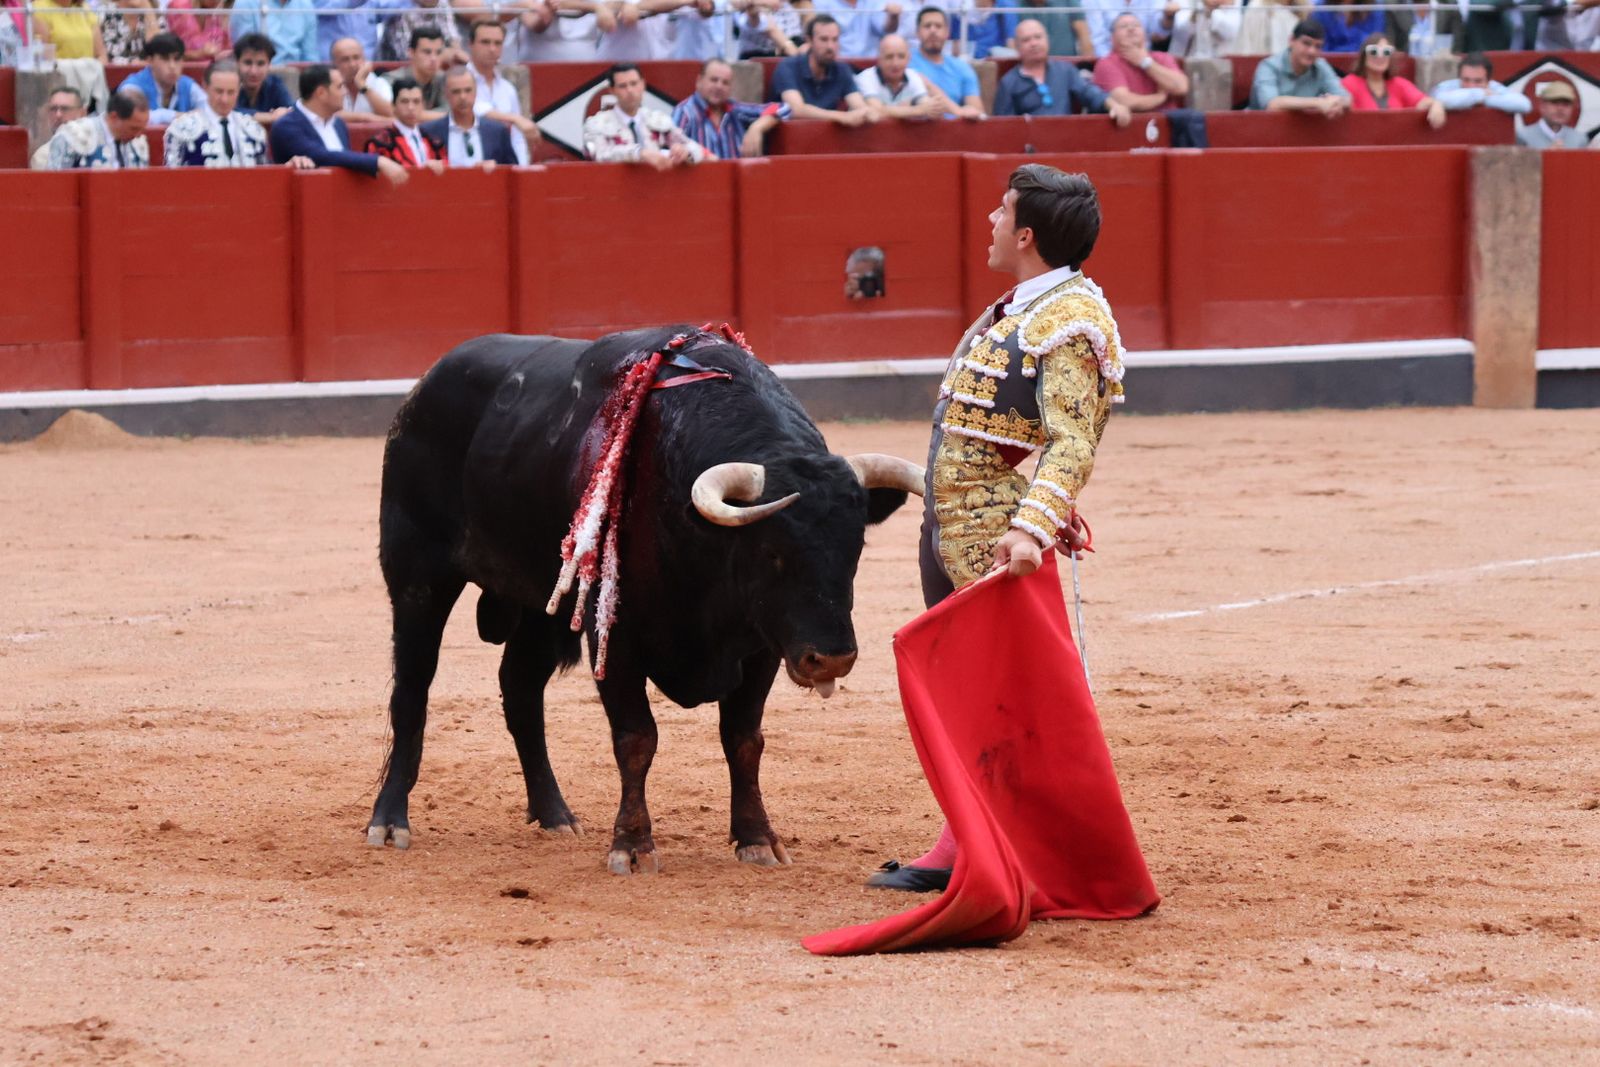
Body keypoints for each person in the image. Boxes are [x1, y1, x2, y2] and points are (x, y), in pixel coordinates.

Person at [869, 164, 1120, 893]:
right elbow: (1007, 433)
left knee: (996, 695)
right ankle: (975, 835)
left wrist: (1032, 526)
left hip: (993, 540)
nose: (989, 219)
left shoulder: (1071, 318)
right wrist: (1037, 503)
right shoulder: (1023, 308)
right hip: (954, 522)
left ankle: (967, 847)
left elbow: (1073, 441)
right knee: (970, 691)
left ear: (1027, 234)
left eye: (1001, 210)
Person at [269, 63, 409, 181]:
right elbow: (320, 156)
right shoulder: (287, 126)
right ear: (321, 93)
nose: (345, 92)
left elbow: (343, 162)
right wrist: (376, 161)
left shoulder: (338, 124)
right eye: (339, 87)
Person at [993, 18, 1131, 124]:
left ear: (1047, 40)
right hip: (1028, 151)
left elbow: (1089, 93)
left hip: (1066, 140)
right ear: (1017, 47)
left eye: (1038, 37)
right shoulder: (1008, 82)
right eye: (1026, 40)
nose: (1034, 43)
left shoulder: (1065, 70)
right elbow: (1003, 125)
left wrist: (1114, 105)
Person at [584, 62, 706, 166]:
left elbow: (696, 148)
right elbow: (600, 155)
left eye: (634, 83)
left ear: (643, 85)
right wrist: (638, 153)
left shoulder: (656, 119)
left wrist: (684, 151)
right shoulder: (597, 124)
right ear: (612, 90)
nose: (630, 91)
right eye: (622, 86)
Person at [672, 57, 790, 159]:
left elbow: (784, 108)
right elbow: (671, 147)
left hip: (737, 182)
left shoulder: (736, 110)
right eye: (714, 80)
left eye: (725, 83)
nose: (719, 86)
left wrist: (757, 127)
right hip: (700, 182)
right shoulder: (685, 112)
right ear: (699, 81)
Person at [770, 15, 874, 126]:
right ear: (809, 40)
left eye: (835, 40)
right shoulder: (788, 67)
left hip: (827, 140)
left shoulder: (842, 69)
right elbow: (796, 110)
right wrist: (841, 116)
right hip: (788, 139)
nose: (830, 46)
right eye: (824, 39)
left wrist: (866, 113)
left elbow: (858, 105)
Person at [165, 59, 271, 166]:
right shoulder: (182, 128)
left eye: (231, 92)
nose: (225, 99)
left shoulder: (253, 129)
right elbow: (171, 177)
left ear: (239, 90)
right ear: (205, 87)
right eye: (219, 91)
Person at [466, 19, 539, 164]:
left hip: (504, 163)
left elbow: (517, 137)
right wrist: (514, 118)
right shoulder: (459, 80)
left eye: (497, 43)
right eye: (485, 42)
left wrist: (522, 167)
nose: (492, 49)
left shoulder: (507, 88)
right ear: (471, 45)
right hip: (470, 163)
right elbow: (473, 110)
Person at [1339, 32, 1445, 127]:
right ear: (1364, 56)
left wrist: (1435, 104)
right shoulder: (1349, 83)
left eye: (1386, 52)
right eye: (1374, 51)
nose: (1380, 56)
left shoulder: (1399, 84)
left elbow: (1422, 101)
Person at [1249, 17, 1350, 116]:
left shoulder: (1320, 66)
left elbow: (1347, 99)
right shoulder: (1269, 66)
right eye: (1306, 43)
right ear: (1292, 40)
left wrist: (1335, 103)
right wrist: (1319, 103)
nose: (1312, 51)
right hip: (1260, 129)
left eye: (1318, 46)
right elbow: (1272, 105)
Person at [421, 66, 519, 167]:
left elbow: (513, 171)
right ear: (446, 95)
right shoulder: (429, 132)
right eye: (456, 92)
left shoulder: (497, 131)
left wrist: (496, 169)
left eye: (468, 90)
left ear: (476, 92)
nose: (463, 97)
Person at [1093, 11, 1189, 112]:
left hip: (1171, 123)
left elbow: (1182, 87)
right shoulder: (1106, 63)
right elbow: (1124, 101)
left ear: (1145, 35)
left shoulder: (1163, 58)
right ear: (1111, 39)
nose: (1131, 29)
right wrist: (1160, 97)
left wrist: (1145, 62)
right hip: (1131, 125)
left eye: (1136, 25)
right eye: (1123, 26)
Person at [908, 6, 984, 120]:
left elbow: (977, 112)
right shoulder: (904, 61)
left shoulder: (962, 67)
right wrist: (959, 111)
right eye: (927, 26)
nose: (933, 31)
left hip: (956, 132)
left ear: (947, 32)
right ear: (917, 32)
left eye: (938, 26)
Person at [47, 88, 150, 169]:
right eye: (133, 128)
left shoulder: (138, 144)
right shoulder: (72, 135)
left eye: (141, 129)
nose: (139, 135)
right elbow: (55, 184)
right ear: (114, 117)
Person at [121, 32, 205, 125]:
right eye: (165, 59)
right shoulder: (133, 86)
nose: (172, 66)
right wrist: (173, 116)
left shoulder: (188, 85)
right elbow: (130, 117)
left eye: (177, 59)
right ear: (150, 61)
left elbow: (210, 112)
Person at [855, 33, 944, 120]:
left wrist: (934, 107)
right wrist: (918, 110)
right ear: (879, 59)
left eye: (901, 56)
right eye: (889, 57)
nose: (895, 63)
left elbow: (927, 104)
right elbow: (876, 111)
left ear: (908, 58)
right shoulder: (865, 78)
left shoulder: (912, 76)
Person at [365, 75, 447, 168]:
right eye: (404, 101)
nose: (411, 108)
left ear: (422, 106)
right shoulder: (381, 143)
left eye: (416, 102)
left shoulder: (434, 141)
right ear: (393, 106)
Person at [1431, 53, 1531, 116]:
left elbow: (1524, 105)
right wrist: (1481, 95)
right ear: (1459, 77)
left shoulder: (1493, 87)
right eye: (1466, 80)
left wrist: (1481, 99)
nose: (1471, 86)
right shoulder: (1446, 86)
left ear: (1488, 81)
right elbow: (1440, 100)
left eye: (1478, 81)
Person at [234, 32, 295, 126]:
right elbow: (230, 113)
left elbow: (292, 112)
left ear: (269, 65)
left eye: (260, 64)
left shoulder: (275, 85)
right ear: (237, 63)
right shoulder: (229, 85)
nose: (253, 71)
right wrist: (271, 117)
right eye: (247, 63)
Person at [383, 26, 448, 115]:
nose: (433, 59)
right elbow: (389, 113)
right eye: (427, 52)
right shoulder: (390, 81)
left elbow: (452, 112)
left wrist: (412, 116)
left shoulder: (445, 79)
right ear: (411, 53)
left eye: (438, 53)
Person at [229, 0, 319, 63]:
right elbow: (245, 55)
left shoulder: (306, 5)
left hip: (298, 77)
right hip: (260, 75)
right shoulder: (246, 3)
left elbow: (310, 58)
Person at [331, 36, 395, 123]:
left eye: (356, 57)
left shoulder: (379, 83)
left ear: (364, 59)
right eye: (345, 60)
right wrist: (366, 118)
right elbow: (330, 115)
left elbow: (392, 115)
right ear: (334, 64)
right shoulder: (329, 86)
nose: (352, 64)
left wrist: (362, 84)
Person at [378, 0, 464, 62]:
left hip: (434, 64)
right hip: (398, 71)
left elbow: (453, 40)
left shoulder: (442, 4)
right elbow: (407, 54)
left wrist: (454, 52)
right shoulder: (399, 8)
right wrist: (447, 54)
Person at [595, 0, 683, 60]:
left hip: (662, 64)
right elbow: (607, 6)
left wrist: (636, 7)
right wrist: (625, 6)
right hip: (619, 66)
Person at [812, 0, 903, 57]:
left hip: (871, 63)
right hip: (836, 63)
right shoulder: (821, 2)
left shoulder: (874, 2)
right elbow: (819, 34)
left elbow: (886, 30)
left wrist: (893, 16)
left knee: (894, 41)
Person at [1516, 80, 1588, 150]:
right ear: (1542, 106)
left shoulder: (1579, 140)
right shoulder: (1523, 137)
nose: (1560, 108)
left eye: (1566, 104)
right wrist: (1548, 155)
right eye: (1554, 102)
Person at [1086, 0, 1171, 57]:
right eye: (1124, 26)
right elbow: (1097, 41)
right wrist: (1112, 62)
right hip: (1108, 59)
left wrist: (1169, 16)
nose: (1131, 29)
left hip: (1146, 57)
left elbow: (1160, 33)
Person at [31, 87, 87, 170]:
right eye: (53, 109)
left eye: (65, 109)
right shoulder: (42, 157)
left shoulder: (99, 147)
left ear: (82, 113)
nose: (58, 115)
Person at [30, 0, 106, 61]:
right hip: (59, 76)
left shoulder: (85, 8)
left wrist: (92, 72)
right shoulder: (39, 8)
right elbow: (44, 58)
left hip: (88, 76)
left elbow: (101, 55)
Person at [1168, 0, 1242, 58]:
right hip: (1185, 62)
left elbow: (1230, 32)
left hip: (1217, 65)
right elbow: (1181, 33)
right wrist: (1201, 7)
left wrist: (1211, 10)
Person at [99, 0, 164, 64]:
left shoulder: (156, 14)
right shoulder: (107, 13)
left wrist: (147, 8)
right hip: (116, 72)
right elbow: (110, 56)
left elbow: (158, 53)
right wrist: (136, 63)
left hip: (149, 72)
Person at [165, 0, 232, 59]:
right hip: (190, 69)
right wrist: (200, 53)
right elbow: (174, 53)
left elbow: (224, 43)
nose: (218, 1)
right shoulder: (179, 7)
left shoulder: (214, 10)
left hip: (217, 68)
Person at [1313, 0, 1383, 53]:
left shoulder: (1374, 7)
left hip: (1364, 65)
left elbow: (1375, 42)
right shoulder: (1322, 8)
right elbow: (1320, 46)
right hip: (1329, 65)